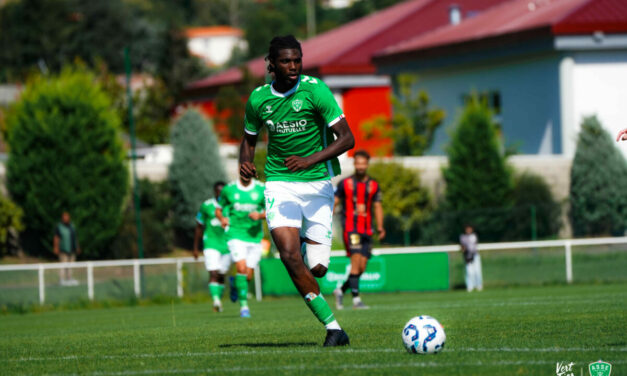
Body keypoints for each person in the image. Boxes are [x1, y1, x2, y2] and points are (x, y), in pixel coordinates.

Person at [238, 35, 354, 346]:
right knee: (289, 257)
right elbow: (248, 139)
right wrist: (245, 163)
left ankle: (307, 247)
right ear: (271, 64)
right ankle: (333, 328)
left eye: (297, 60)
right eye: (286, 61)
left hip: (318, 183)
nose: (293, 66)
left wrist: (309, 160)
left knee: (316, 267)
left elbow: (346, 138)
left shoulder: (315, 90)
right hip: (279, 182)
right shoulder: (259, 99)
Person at [333, 150, 385, 310]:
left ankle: (340, 290)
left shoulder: (374, 185)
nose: (360, 166)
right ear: (354, 164)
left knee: (361, 268)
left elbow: (377, 206)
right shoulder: (345, 183)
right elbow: (335, 201)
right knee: (355, 264)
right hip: (351, 229)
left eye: (363, 163)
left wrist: (381, 227)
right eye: (358, 163)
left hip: (367, 230)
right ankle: (356, 300)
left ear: (367, 164)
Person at [215, 175, 265, 318]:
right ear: (240, 169)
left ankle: (235, 284)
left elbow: (272, 210)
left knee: (248, 275)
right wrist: (222, 218)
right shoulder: (229, 189)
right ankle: (244, 307)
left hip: (254, 237)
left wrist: (260, 216)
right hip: (235, 235)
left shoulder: (262, 189)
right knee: (241, 269)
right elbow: (218, 209)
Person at [193, 181, 230, 313]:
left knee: (221, 274)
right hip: (211, 243)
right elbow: (199, 226)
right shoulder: (207, 206)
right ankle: (216, 301)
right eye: (218, 191)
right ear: (215, 192)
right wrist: (195, 248)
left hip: (226, 244)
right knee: (213, 272)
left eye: (222, 191)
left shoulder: (230, 206)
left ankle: (218, 299)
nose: (220, 194)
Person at [53, 211, 80, 286]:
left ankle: (69, 278)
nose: (66, 219)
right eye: (64, 217)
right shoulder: (59, 227)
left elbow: (75, 237)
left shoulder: (72, 226)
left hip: (72, 249)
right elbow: (56, 237)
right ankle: (61, 279)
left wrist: (77, 247)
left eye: (67, 217)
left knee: (71, 265)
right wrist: (56, 247)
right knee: (63, 264)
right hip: (63, 250)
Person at [460, 224, 483, 292]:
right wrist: (464, 251)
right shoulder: (462, 237)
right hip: (468, 256)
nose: (468, 230)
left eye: (469, 229)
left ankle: (479, 285)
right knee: (469, 272)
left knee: (477, 271)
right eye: (467, 229)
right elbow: (463, 247)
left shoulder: (474, 236)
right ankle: (470, 286)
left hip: (475, 255)